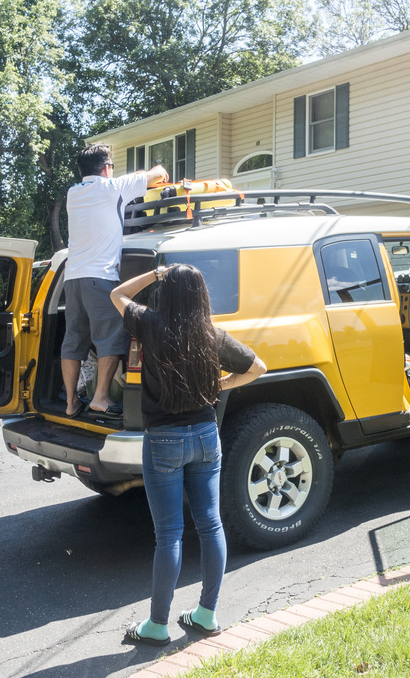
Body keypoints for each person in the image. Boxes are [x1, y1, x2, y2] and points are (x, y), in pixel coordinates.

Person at [110, 263, 266, 646]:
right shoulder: (211, 334)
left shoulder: (149, 324)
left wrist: (154, 274)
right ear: (201, 295)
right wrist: (221, 384)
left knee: (169, 535)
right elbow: (258, 367)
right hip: (206, 437)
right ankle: (206, 615)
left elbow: (117, 295)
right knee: (211, 525)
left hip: (163, 441)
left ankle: (157, 625)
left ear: (166, 293)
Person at [62, 145, 167, 417]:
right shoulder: (114, 188)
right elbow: (159, 173)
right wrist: (145, 174)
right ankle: (100, 399)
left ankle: (71, 403)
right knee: (110, 338)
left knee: (73, 341)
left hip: (72, 278)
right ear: (107, 168)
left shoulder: (73, 193)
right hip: (101, 277)